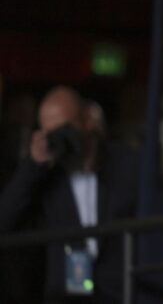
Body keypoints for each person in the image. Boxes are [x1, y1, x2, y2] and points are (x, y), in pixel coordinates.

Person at [0, 86, 140, 303]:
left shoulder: (124, 162)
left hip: (119, 293)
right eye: (51, 133)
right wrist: (33, 164)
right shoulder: (46, 178)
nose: (60, 139)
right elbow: (5, 219)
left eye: (65, 129)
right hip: (66, 296)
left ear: (87, 120)